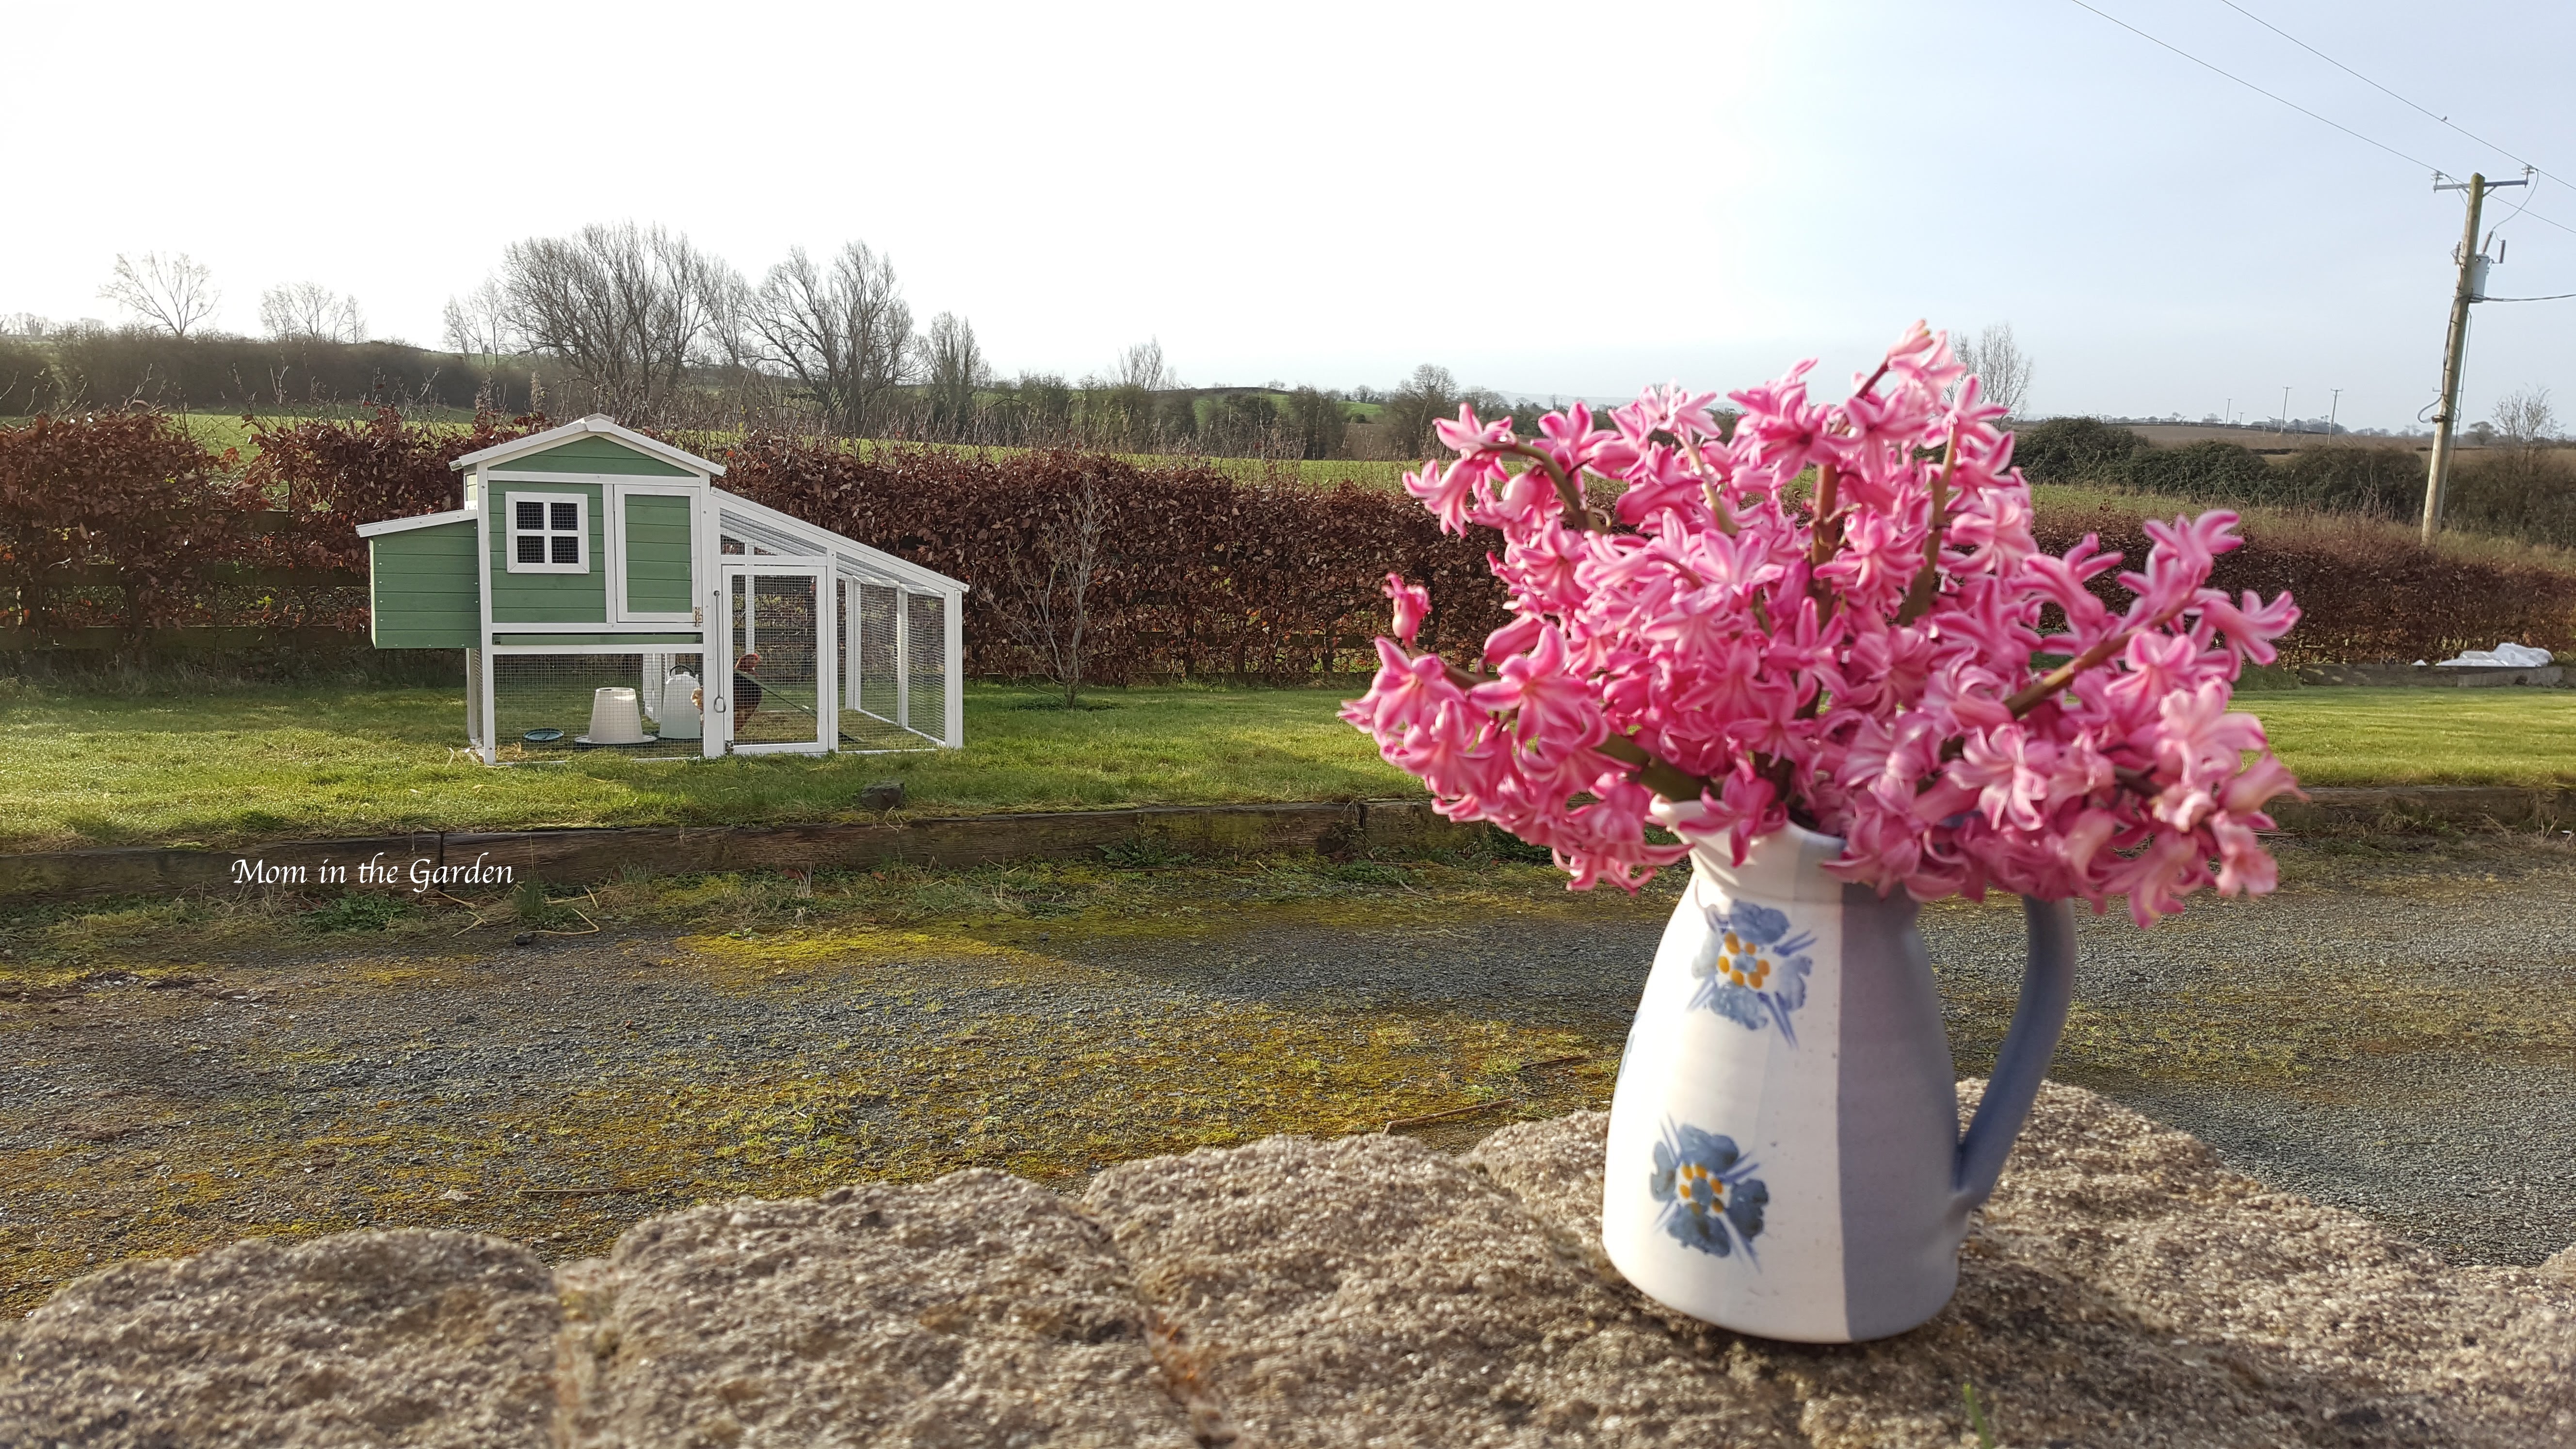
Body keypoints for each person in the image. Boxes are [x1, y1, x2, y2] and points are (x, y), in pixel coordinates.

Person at [730, 652, 765, 728]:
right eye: (752, 659)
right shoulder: (736, 675)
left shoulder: (753, 675)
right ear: (745, 661)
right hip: (740, 700)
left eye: (755, 660)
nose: (755, 662)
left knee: (741, 715)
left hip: (748, 701)